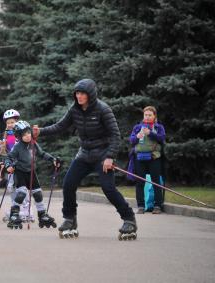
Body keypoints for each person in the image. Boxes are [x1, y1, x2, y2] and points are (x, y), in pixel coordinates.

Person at [33, 78, 137, 240]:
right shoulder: (74, 109)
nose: (79, 96)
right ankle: (69, 219)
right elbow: (60, 126)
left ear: (91, 94)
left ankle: (129, 219)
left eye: (82, 93)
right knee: (68, 184)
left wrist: (110, 157)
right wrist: (41, 131)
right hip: (84, 154)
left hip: (102, 155)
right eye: (77, 93)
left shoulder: (103, 109)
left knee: (108, 188)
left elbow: (115, 135)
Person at [4, 120, 59, 229]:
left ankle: (42, 214)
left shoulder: (33, 143)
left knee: (38, 193)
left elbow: (42, 153)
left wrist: (52, 159)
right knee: (22, 193)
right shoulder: (18, 147)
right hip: (20, 172)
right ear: (19, 136)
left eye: (28, 133)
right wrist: (8, 165)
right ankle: (14, 214)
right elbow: (8, 157)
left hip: (31, 172)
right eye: (24, 135)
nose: (28, 136)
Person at [0, 109, 33, 223]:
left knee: (21, 187)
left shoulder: (22, 134)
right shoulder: (7, 135)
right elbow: (7, 152)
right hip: (11, 165)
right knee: (11, 187)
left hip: (21, 165)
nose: (10, 125)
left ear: (17, 121)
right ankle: (15, 208)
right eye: (8, 123)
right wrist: (4, 158)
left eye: (12, 122)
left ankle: (26, 209)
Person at [129, 106, 166, 214]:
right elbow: (131, 140)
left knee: (156, 182)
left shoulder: (159, 127)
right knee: (140, 182)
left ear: (154, 116)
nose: (147, 117)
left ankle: (157, 206)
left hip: (154, 158)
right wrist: (137, 136)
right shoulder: (137, 127)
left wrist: (150, 133)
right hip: (139, 158)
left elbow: (162, 138)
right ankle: (141, 206)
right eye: (146, 115)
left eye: (150, 115)